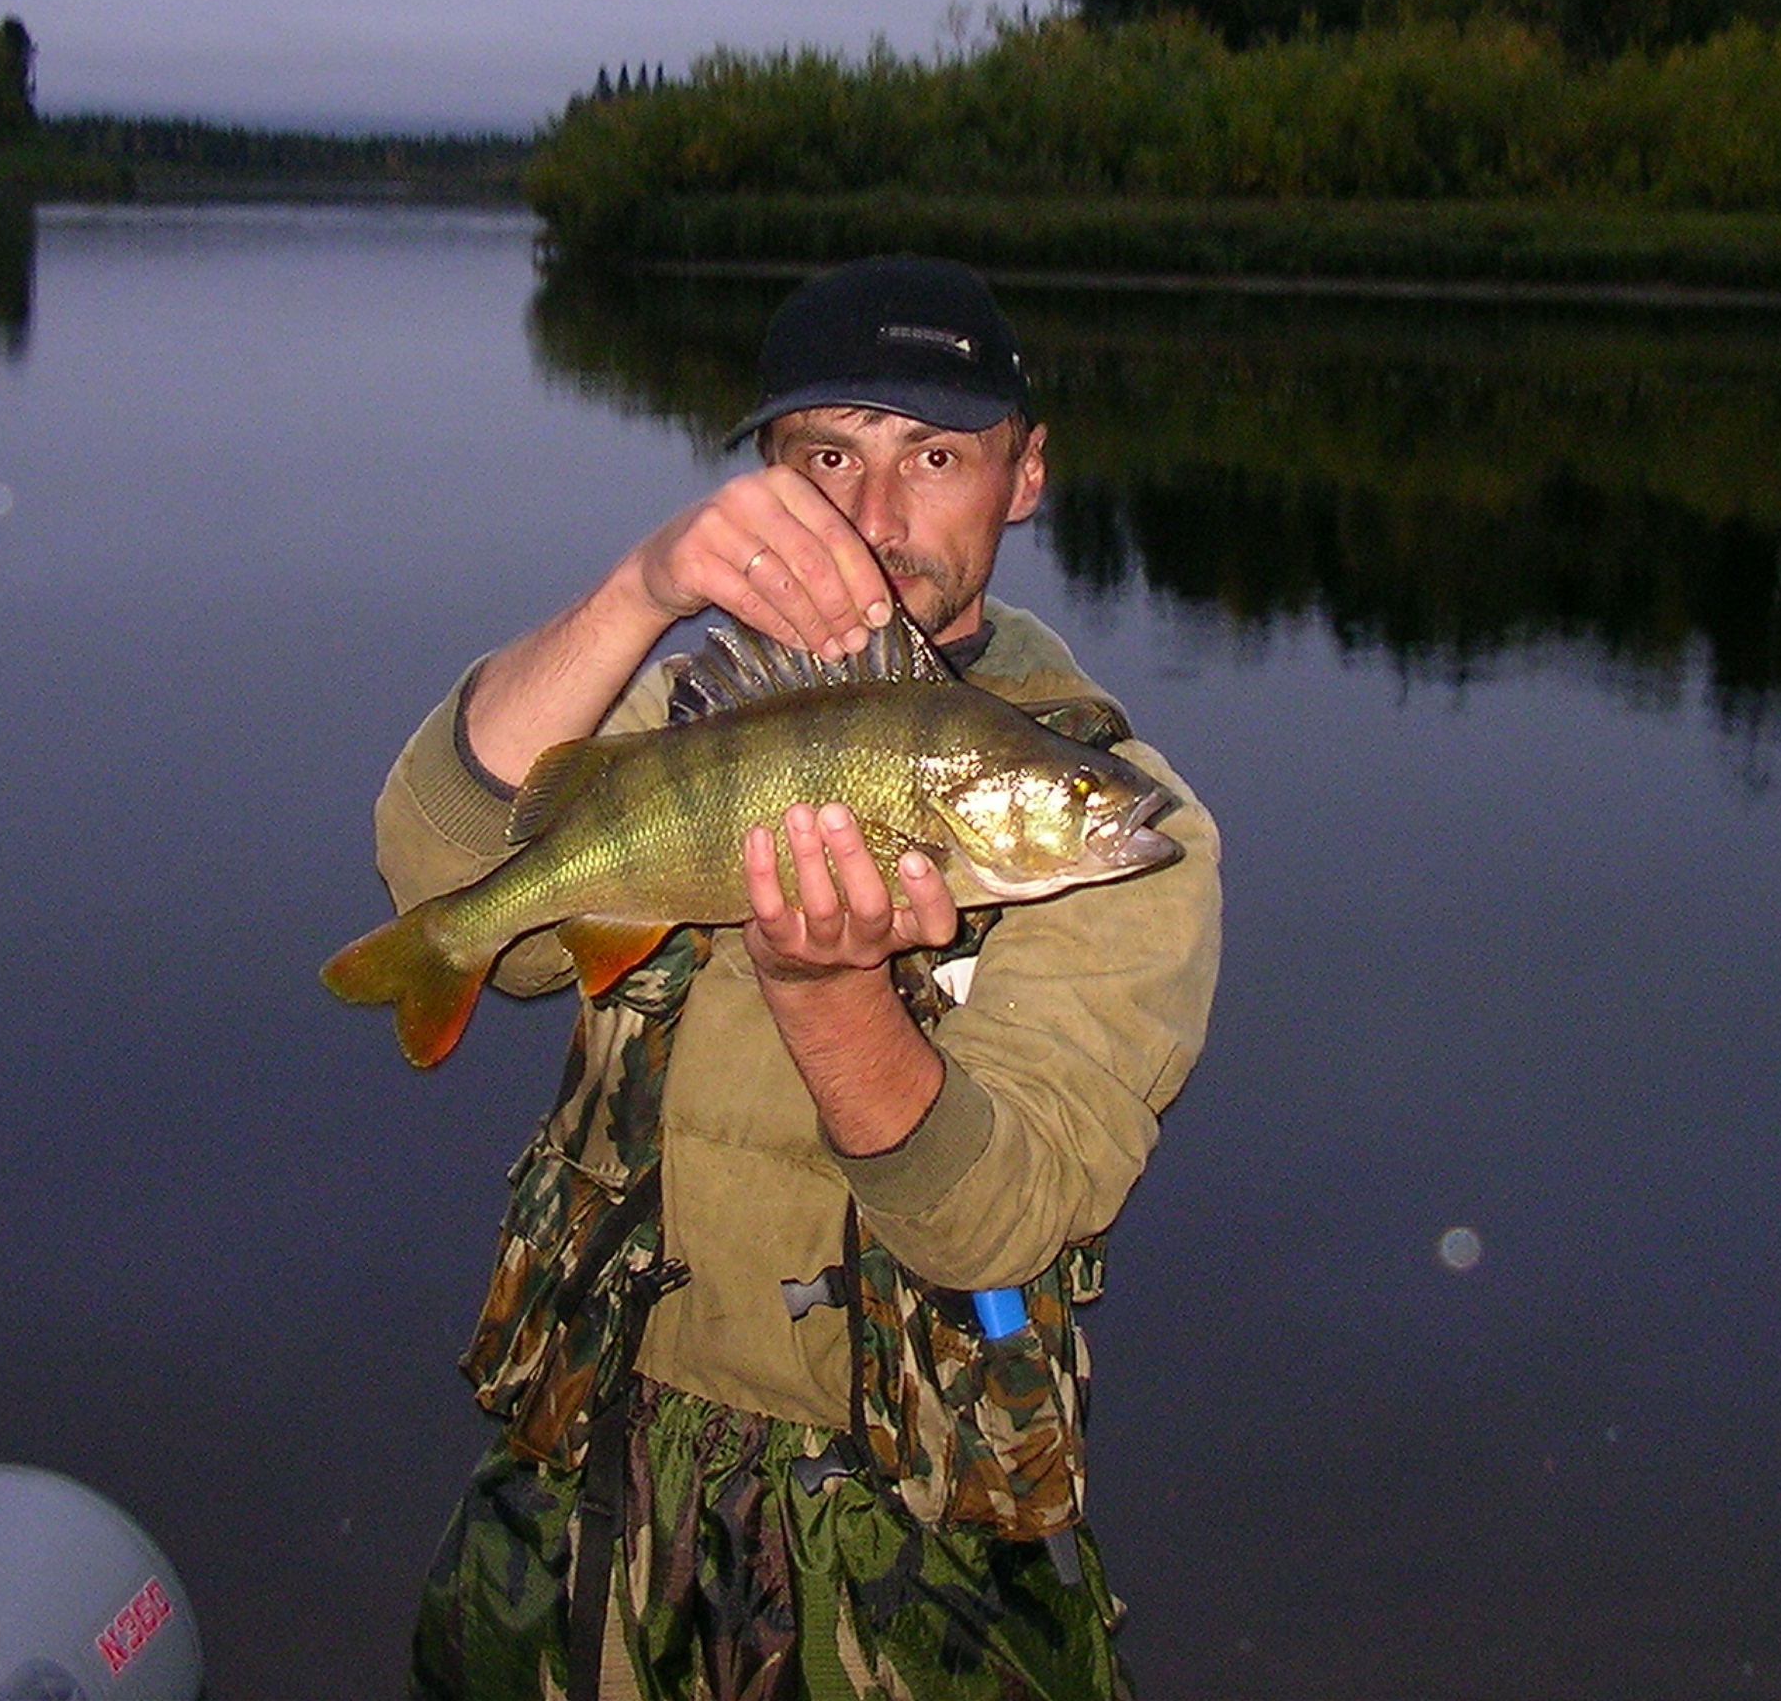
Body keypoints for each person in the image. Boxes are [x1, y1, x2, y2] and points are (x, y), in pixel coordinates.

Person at [366, 254, 1221, 1701]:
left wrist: (830, 998)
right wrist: (638, 591)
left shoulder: (1132, 831)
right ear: (765, 474)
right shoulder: (684, 713)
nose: (875, 520)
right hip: (587, 1464)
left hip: (899, 1535)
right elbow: (432, 878)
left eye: (934, 457)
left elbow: (1002, 1218)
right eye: (829, 456)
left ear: (1024, 475)